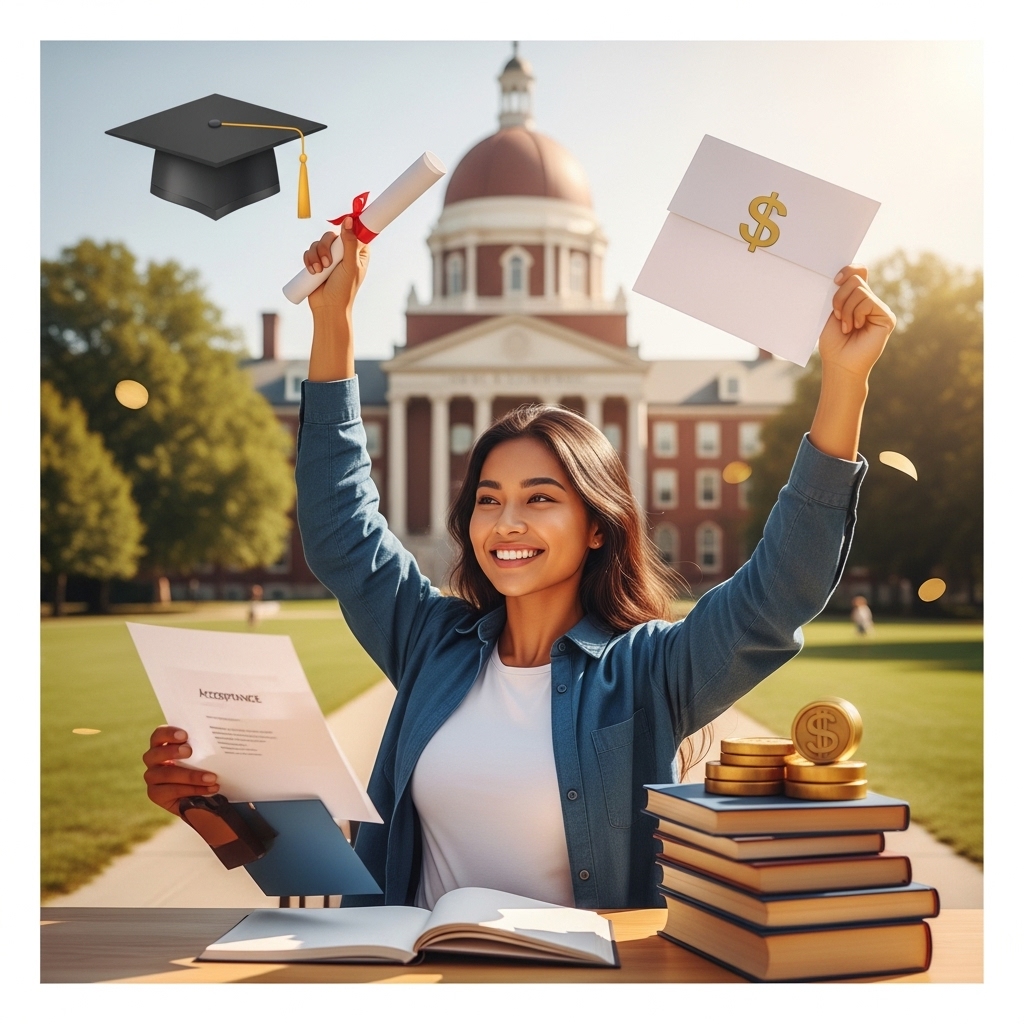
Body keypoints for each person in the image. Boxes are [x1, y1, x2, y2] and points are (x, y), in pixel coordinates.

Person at [143, 218, 895, 910]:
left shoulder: (650, 674)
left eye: (541, 499)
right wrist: (334, 320)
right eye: (488, 499)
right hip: (413, 982)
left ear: (597, 526)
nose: (506, 523)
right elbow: (341, 529)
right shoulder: (432, 646)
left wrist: (844, 382)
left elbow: (778, 593)